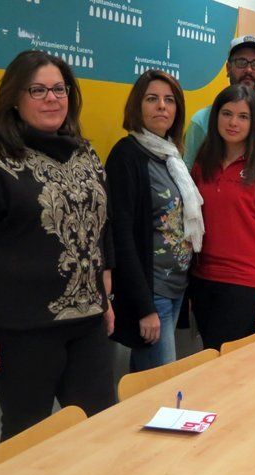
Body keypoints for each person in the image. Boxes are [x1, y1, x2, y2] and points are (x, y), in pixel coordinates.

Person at [0, 50, 115, 440]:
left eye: (59, 89)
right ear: (15, 98)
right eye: (38, 90)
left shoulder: (86, 155)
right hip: (22, 330)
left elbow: (103, 233)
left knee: (100, 430)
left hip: (88, 325)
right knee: (27, 438)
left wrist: (106, 299)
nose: (52, 98)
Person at [105, 70, 203, 371]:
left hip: (174, 287)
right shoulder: (127, 155)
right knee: (160, 384)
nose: (162, 106)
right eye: (152, 99)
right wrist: (143, 307)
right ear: (138, 106)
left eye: (169, 100)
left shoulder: (172, 157)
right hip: (152, 292)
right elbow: (121, 236)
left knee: (148, 379)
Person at [189, 84, 255, 350]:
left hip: (245, 286)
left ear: (254, 122)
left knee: (233, 372)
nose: (233, 122)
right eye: (227, 113)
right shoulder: (203, 163)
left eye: (243, 116)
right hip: (203, 281)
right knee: (209, 359)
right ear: (216, 118)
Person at [183, 35, 255, 168]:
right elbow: (188, 175)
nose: (248, 70)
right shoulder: (201, 119)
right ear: (228, 68)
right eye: (241, 62)